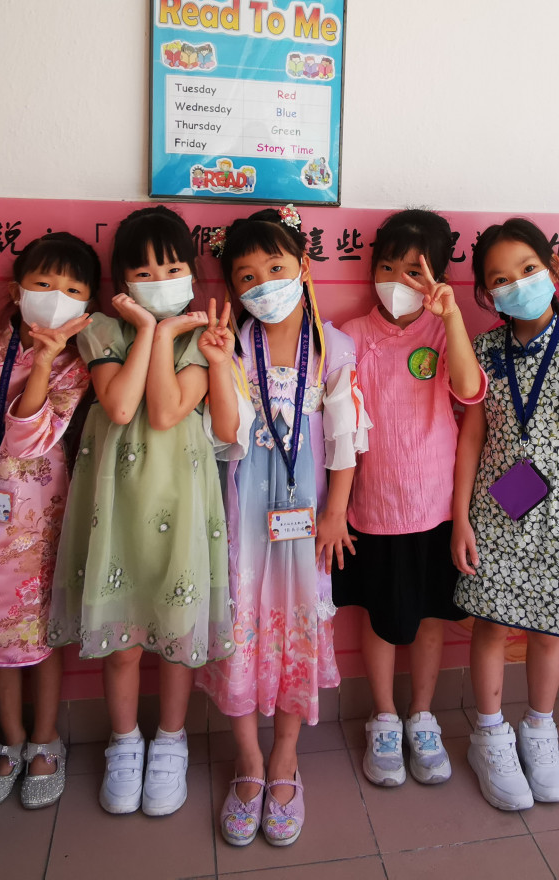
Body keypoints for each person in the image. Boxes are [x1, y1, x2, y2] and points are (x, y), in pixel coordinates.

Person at [48, 206, 237, 818]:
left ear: (192, 273)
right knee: (123, 643)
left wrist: (168, 332)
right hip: (116, 504)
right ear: (122, 279)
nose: (160, 279)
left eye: (173, 267)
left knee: (177, 635)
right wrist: (152, 331)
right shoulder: (104, 330)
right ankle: (125, 742)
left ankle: (171, 742)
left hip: (181, 501)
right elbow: (122, 407)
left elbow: (166, 411)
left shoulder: (205, 338)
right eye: (145, 270)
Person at [200, 207, 370, 849]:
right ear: (233, 288)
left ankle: (284, 760)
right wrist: (219, 364)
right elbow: (226, 433)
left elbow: (345, 441)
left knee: (300, 623)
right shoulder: (233, 345)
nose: (264, 284)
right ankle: (248, 762)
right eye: (247, 276)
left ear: (303, 266)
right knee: (240, 626)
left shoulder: (333, 349)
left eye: (276, 267)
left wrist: (335, 512)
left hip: (308, 521)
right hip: (242, 515)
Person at [451, 218, 559, 811]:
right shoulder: (483, 350)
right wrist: (461, 516)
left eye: (527, 269)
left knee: (548, 629)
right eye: (500, 279)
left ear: (553, 268)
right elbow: (472, 435)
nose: (516, 284)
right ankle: (489, 734)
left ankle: (540, 730)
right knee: (492, 624)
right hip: (494, 507)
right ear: (486, 293)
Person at [0, 232, 97, 812]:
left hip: (38, 519)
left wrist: (46, 360)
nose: (56, 297)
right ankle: (6, 742)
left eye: (73, 290)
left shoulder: (77, 368)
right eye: (44, 283)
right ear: (16, 290)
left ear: (87, 306)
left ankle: (45, 741)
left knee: (40, 634)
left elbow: (28, 438)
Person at [333, 210, 486, 788]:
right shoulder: (349, 336)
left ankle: (422, 717)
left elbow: (468, 391)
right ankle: (383, 717)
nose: (398, 280)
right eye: (388, 267)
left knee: (427, 618)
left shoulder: (445, 334)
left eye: (414, 271)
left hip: (435, 509)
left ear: (438, 277)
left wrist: (452, 319)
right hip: (371, 509)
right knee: (379, 617)